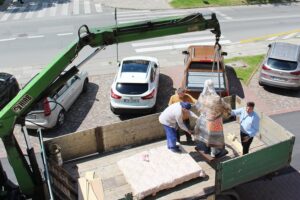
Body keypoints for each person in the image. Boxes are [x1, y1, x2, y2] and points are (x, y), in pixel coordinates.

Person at [194, 79, 231, 158]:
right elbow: (225, 108)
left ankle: (206, 147)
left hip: (203, 120)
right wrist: (228, 111)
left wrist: (204, 112)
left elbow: (197, 106)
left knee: (205, 135)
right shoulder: (217, 98)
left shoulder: (202, 96)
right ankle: (214, 152)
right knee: (214, 137)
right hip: (214, 122)